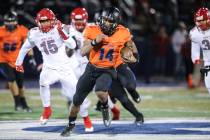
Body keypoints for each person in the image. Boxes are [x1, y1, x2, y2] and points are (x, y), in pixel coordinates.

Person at [60, 7, 143, 137]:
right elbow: (82, 52)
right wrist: (95, 41)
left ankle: (105, 107)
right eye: (103, 19)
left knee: (100, 90)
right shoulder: (92, 30)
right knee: (76, 100)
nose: (104, 23)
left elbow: (131, 44)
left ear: (115, 23)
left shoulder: (123, 32)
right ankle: (70, 125)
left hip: (108, 70)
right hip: (91, 68)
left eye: (108, 21)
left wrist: (136, 55)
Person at [15, 8, 93, 132]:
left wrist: (62, 33)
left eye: (47, 21)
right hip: (49, 67)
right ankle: (47, 109)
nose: (44, 24)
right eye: (42, 21)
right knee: (43, 81)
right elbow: (25, 47)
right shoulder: (34, 33)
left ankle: (86, 119)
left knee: (77, 96)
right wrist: (18, 62)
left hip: (64, 68)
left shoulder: (60, 28)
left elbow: (73, 45)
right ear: (38, 21)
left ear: (52, 20)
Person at [0, 11, 32, 112]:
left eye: (12, 21)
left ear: (16, 21)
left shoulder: (22, 30)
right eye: (7, 21)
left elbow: (28, 44)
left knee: (21, 84)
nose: (9, 23)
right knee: (11, 79)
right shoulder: (1, 31)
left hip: (18, 61)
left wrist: (31, 57)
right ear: (4, 22)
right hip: (3, 59)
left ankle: (24, 103)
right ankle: (17, 103)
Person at [190, 7, 210, 94]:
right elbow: (195, 46)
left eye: (202, 21)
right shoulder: (195, 32)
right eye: (198, 21)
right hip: (207, 60)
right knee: (208, 83)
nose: (199, 23)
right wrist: (196, 58)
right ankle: (194, 83)